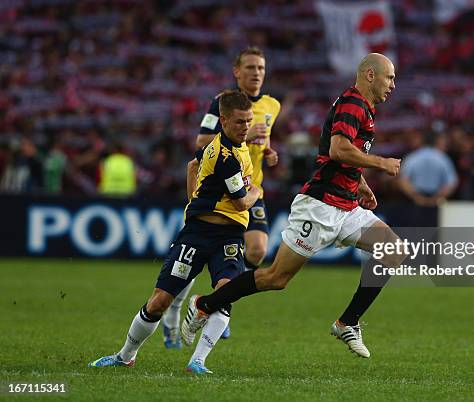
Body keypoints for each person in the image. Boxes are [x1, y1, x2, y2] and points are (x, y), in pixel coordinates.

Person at [181, 53, 403, 359]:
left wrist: (361, 183)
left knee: (393, 249)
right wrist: (381, 163)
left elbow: (331, 150)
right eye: (389, 77)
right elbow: (339, 149)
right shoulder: (353, 104)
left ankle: (347, 322)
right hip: (320, 207)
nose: (392, 84)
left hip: (347, 206)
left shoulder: (362, 107)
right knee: (275, 278)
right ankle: (204, 304)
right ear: (369, 75)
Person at [88, 90, 261, 374]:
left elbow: (192, 168)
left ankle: (198, 361)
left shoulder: (235, 148)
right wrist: (254, 191)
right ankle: (125, 355)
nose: (246, 127)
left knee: (225, 293)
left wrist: (196, 193)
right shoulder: (225, 155)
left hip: (228, 236)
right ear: (224, 120)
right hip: (197, 234)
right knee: (159, 302)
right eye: (240, 122)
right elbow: (243, 200)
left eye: (249, 121)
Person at [161, 46, 280, 347]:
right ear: (237, 72)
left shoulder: (272, 105)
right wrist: (249, 136)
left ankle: (217, 302)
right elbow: (201, 141)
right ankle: (176, 311)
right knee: (197, 258)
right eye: (250, 67)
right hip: (219, 193)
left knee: (257, 251)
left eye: (261, 68)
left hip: (251, 190)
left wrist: (268, 151)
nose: (256, 73)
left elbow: (258, 143)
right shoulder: (221, 103)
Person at [396, 131, 458, 226]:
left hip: (416, 200)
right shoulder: (442, 158)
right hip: (435, 201)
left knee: (416, 233)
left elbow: (403, 180)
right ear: (436, 142)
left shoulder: (413, 157)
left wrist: (416, 197)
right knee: (434, 234)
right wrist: (437, 198)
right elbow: (452, 183)